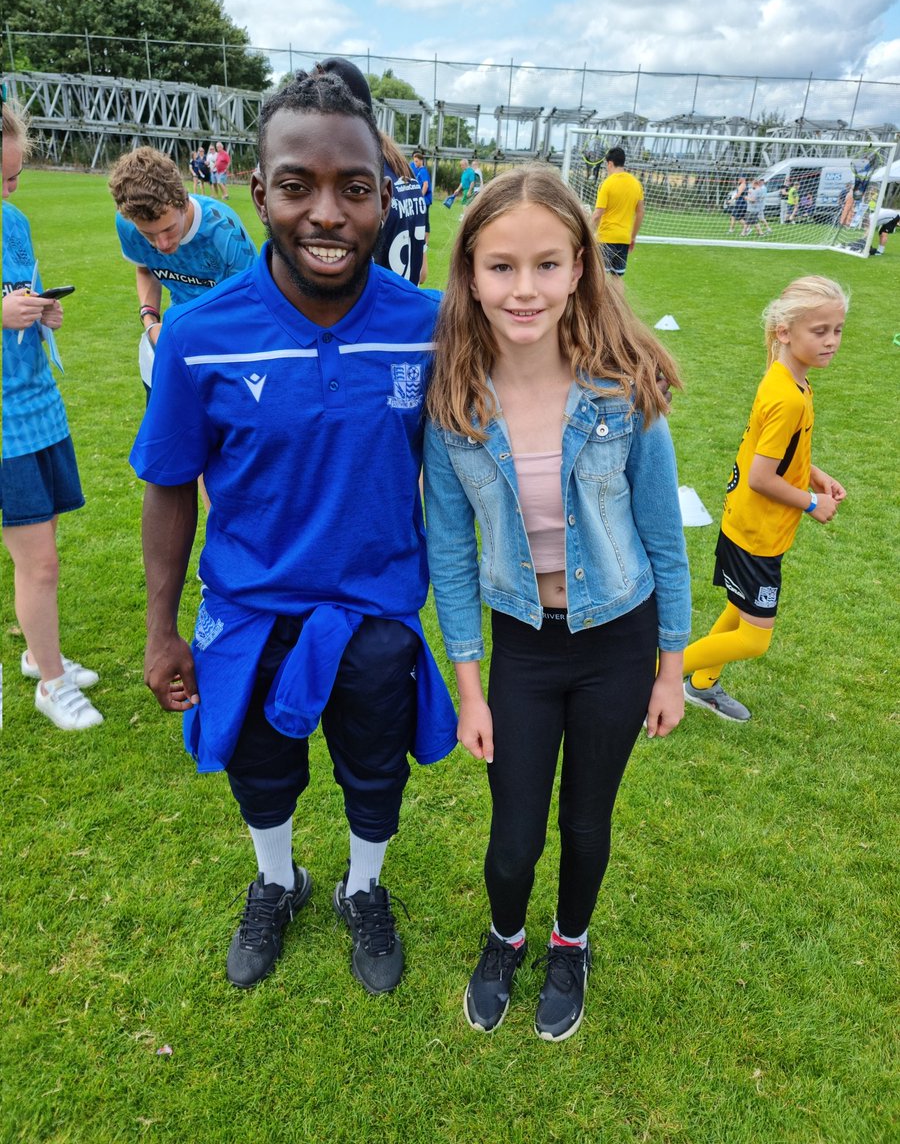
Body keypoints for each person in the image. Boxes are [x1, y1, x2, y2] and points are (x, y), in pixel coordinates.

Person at [129, 70, 456, 996]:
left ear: (384, 195)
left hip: (376, 610)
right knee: (260, 773)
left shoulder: (429, 328)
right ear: (257, 189)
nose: (327, 213)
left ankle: (362, 889)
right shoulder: (200, 333)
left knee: (373, 774)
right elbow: (167, 486)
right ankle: (279, 880)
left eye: (354, 188)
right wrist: (161, 630)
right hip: (249, 605)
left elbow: (480, 469)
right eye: (297, 185)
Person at [423, 165, 690, 1041]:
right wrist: (470, 688)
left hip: (619, 639)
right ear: (469, 273)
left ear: (581, 266)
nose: (524, 288)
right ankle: (506, 936)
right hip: (523, 649)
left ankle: (570, 942)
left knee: (585, 825)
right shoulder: (455, 402)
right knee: (514, 837)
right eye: (501, 267)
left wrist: (671, 671)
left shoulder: (624, 390)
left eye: (546, 264)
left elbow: (664, 539)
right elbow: (452, 557)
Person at [683, 276, 847, 722]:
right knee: (754, 638)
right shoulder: (786, 396)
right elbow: (760, 477)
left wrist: (815, 475)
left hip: (752, 525)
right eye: (820, 331)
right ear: (784, 332)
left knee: (739, 609)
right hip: (755, 533)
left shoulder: (790, 380)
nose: (831, 341)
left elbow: (777, 453)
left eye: (837, 330)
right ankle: (658, 677)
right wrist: (812, 503)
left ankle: (701, 684)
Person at [1, 100, 103, 730]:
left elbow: (18, 294)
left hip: (36, 402)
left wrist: (41, 313)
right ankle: (51, 684)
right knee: (37, 561)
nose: (8, 190)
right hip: (4, 424)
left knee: (42, 550)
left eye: (12, 178)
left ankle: (42, 655)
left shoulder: (14, 222)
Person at [108, 146, 257, 395]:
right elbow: (145, 269)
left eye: (169, 229)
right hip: (176, 339)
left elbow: (253, 301)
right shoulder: (127, 224)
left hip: (229, 348)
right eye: (149, 234)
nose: (162, 245)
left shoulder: (224, 229)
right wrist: (151, 322)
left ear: (184, 201)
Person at [314, 58, 427, 286]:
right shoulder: (405, 171)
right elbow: (422, 271)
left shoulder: (365, 181)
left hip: (376, 314)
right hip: (406, 307)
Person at [590, 147, 644, 276]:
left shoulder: (607, 184)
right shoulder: (636, 184)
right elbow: (640, 212)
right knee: (617, 278)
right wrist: (632, 237)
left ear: (609, 163)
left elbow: (598, 213)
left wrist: (587, 232)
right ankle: (618, 298)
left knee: (600, 278)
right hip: (624, 239)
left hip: (606, 238)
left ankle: (601, 298)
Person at [411, 149, 432, 284]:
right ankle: (424, 242)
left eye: (416, 161)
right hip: (421, 200)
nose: (415, 162)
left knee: (424, 221)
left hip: (424, 200)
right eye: (414, 160)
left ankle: (426, 242)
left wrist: (420, 196)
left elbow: (425, 184)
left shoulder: (423, 170)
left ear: (421, 161)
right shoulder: (416, 168)